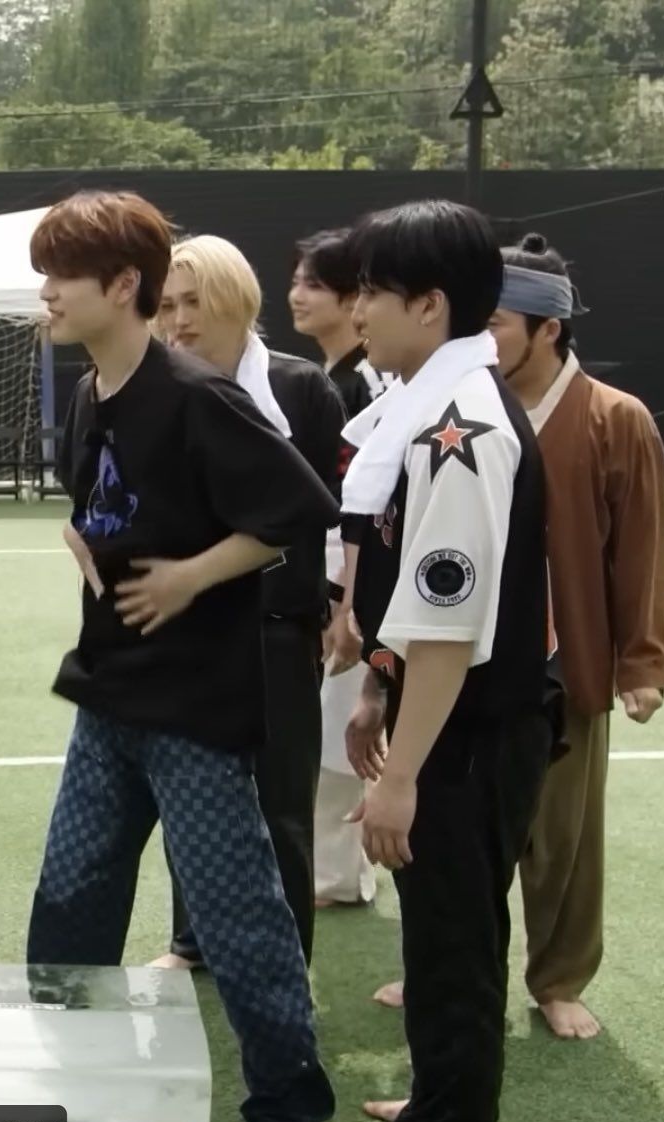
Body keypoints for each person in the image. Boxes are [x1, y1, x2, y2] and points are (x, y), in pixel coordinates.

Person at [24, 191, 336, 1122]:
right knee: (69, 895)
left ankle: (288, 1106)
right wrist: (89, 539)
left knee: (236, 912)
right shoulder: (89, 394)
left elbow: (297, 509)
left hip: (195, 704)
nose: (46, 293)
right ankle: (63, 1071)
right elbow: (108, 506)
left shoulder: (199, 395)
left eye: (62, 276)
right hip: (108, 691)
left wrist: (192, 576)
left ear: (123, 285)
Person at [340, 199, 561, 1122]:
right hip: (454, 727)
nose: (358, 313)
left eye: (372, 293)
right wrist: (376, 695)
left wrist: (402, 777)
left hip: (466, 737)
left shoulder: (459, 426)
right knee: (447, 953)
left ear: (428, 305)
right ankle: (440, 1116)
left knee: (454, 961)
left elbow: (444, 624)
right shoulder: (437, 408)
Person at [492, 233, 664, 1038]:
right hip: (469, 657)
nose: (481, 338)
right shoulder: (467, 413)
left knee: (564, 837)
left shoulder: (615, 418)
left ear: (548, 329)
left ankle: (559, 975)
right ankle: (449, 960)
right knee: (460, 828)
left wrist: (642, 662)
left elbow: (640, 549)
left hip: (564, 660)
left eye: (496, 323)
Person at [151, 233, 346, 966]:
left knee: (280, 808)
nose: (180, 320)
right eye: (167, 305)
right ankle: (192, 941)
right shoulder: (154, 388)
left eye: (195, 302)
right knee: (188, 797)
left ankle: (283, 958)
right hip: (184, 631)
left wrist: (340, 605)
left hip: (276, 630)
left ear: (237, 301)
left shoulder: (302, 389)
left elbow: (336, 512)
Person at [289, 227, 388, 908]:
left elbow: (365, 504)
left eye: (314, 284)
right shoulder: (329, 375)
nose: (297, 294)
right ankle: (337, 868)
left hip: (351, 574)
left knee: (339, 726)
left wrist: (348, 602)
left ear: (356, 297)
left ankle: (339, 874)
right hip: (327, 572)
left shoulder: (369, 381)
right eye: (297, 281)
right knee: (325, 727)